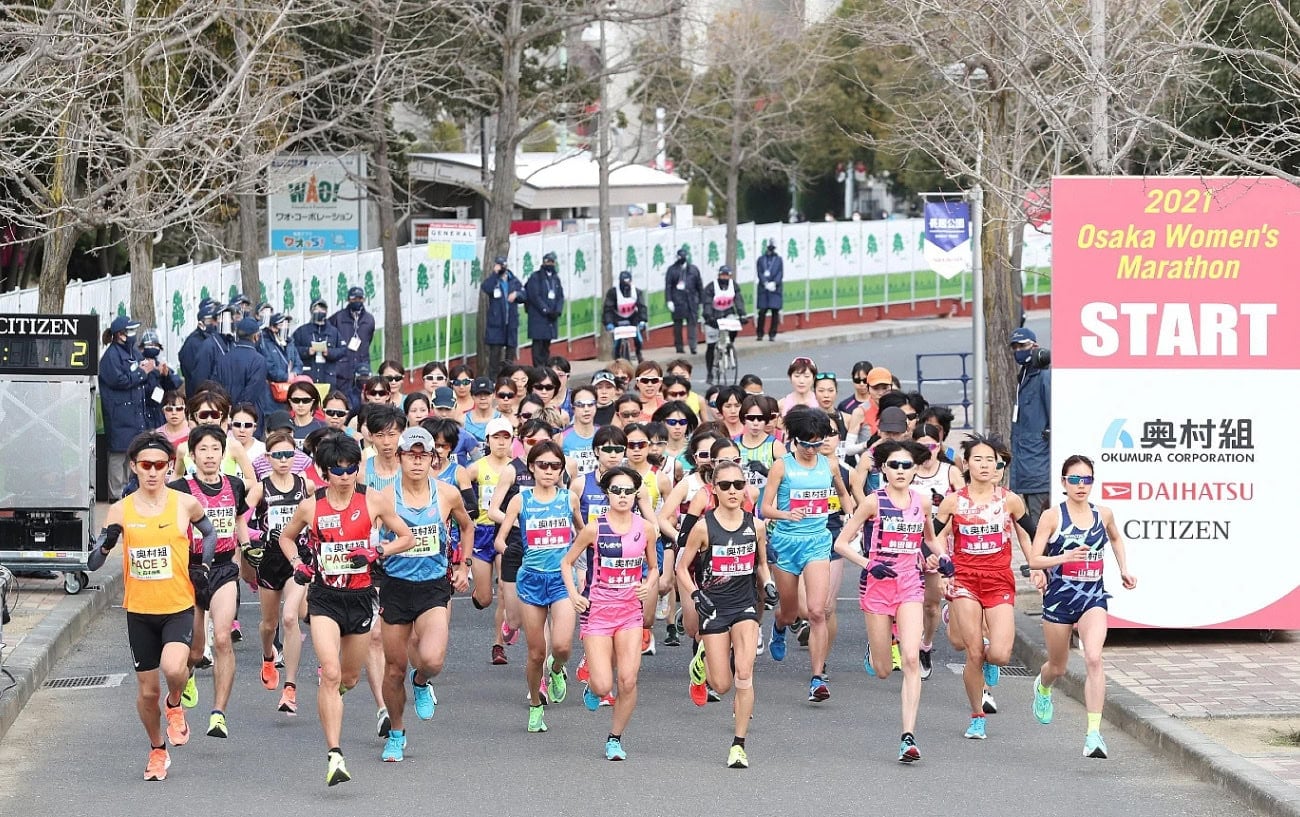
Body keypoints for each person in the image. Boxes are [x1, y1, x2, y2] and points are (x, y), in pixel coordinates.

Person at [277, 432, 413, 786]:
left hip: (361, 596)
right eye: (338, 470)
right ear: (325, 472)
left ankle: (331, 699)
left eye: (352, 468)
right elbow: (286, 537)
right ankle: (334, 754)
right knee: (332, 672)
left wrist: (377, 552)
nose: (345, 475)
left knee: (349, 678)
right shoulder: (312, 506)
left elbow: (406, 537)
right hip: (324, 597)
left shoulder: (374, 501)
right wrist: (298, 564)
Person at [86, 431, 218, 781]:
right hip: (139, 610)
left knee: (174, 667)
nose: (153, 471)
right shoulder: (120, 509)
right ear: (134, 467)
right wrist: (107, 543)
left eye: (160, 465)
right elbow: (94, 563)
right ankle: (157, 749)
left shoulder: (183, 503)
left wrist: (200, 565)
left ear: (169, 467)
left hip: (177, 604)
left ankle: (175, 704)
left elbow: (209, 533)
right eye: (146, 465)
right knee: (147, 692)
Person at [834, 440, 951, 763]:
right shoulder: (873, 502)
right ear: (883, 469)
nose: (900, 471)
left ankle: (908, 736)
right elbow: (842, 544)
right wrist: (869, 564)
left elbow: (928, 539)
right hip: (876, 587)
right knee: (884, 670)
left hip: (909, 585)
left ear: (916, 470)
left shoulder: (923, 502)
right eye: (894, 466)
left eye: (907, 466)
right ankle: (878, 647)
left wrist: (943, 557)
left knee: (911, 660)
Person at [1027, 454, 1136, 759]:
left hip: (1093, 598)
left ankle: (1093, 734)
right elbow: (1034, 559)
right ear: (1064, 482)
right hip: (1059, 600)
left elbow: (1115, 539)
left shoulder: (1104, 514)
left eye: (1086, 479)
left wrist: (1124, 569)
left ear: (1092, 482)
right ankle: (1043, 686)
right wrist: (1064, 558)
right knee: (1058, 667)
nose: (1080, 485)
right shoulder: (1053, 516)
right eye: (1074, 479)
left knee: (1094, 658)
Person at [377, 427, 474, 763]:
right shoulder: (384, 497)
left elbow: (467, 525)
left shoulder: (447, 494)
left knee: (432, 659)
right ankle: (397, 732)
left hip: (434, 585)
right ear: (400, 457)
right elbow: (369, 536)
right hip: (396, 586)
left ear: (433, 458)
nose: (417, 461)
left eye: (423, 455)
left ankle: (421, 682)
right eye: (410, 454)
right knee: (393, 669)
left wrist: (464, 565)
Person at [933, 434, 1038, 741]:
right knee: (975, 653)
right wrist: (943, 566)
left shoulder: (1010, 500)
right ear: (966, 463)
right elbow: (935, 535)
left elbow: (1028, 533)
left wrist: (1035, 564)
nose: (983, 465)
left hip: (999, 579)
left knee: (1001, 654)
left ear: (997, 465)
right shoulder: (954, 501)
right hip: (964, 578)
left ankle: (991, 661)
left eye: (989, 460)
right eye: (977, 459)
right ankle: (977, 715)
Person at [677, 458, 769, 769]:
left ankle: (739, 745)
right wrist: (694, 596)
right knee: (722, 685)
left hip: (744, 605)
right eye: (726, 485)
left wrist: (768, 584)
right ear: (714, 490)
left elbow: (761, 564)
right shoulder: (704, 527)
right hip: (713, 607)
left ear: (746, 489)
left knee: (744, 673)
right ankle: (702, 661)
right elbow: (681, 567)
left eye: (738, 485)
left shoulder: (755, 526)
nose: (733, 491)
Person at [561, 466, 659, 761]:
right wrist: (574, 595)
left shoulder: (646, 529)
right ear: (606, 493)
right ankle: (593, 686)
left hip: (630, 611)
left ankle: (614, 738)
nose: (623, 496)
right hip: (598, 612)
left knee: (628, 680)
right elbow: (567, 563)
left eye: (629, 491)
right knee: (604, 684)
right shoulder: (595, 528)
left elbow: (653, 567)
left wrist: (648, 584)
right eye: (616, 490)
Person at [762, 407, 853, 702]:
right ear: (795, 441)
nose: (814, 449)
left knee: (817, 611)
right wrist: (787, 514)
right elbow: (765, 509)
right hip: (787, 542)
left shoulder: (830, 465)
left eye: (818, 443)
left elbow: (844, 495)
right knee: (790, 613)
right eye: (808, 444)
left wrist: (851, 512)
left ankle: (816, 678)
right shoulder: (782, 466)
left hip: (817, 542)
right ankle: (778, 625)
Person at [167, 425, 251, 740]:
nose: (210, 455)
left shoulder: (235, 485)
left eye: (215, 448)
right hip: (189, 571)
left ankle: (218, 713)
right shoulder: (179, 488)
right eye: (203, 449)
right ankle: (180, 689)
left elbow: (239, 518)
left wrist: (248, 548)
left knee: (223, 639)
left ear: (223, 452)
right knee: (194, 650)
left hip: (223, 568)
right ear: (192, 454)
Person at [494, 441, 578, 733]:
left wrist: (576, 559)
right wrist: (514, 553)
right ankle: (534, 703)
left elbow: (581, 534)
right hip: (530, 580)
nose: (548, 471)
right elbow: (500, 540)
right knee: (534, 652)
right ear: (531, 467)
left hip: (561, 579)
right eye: (542, 465)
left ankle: (557, 669)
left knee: (563, 646)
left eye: (555, 466)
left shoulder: (569, 499)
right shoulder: (521, 500)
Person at [246, 429, 312, 714]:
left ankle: (290, 688)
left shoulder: (304, 485)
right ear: (268, 457)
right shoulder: (261, 488)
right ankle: (268, 655)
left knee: (290, 617)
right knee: (269, 624)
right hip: (271, 558)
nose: (284, 460)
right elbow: (241, 519)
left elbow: (320, 511)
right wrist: (254, 537)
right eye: (278, 455)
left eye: (289, 454)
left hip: (297, 557)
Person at [910, 423, 964, 679]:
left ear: (939, 446)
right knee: (909, 601)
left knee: (931, 604)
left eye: (931, 445)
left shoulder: (950, 472)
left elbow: (963, 506)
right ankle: (905, 645)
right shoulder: (906, 471)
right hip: (908, 543)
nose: (927, 451)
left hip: (938, 543)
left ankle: (925, 645)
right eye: (921, 446)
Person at [99, 315, 152, 500]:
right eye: (129, 331)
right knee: (118, 455)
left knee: (132, 454)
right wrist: (141, 372)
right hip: (119, 415)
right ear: (120, 334)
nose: (133, 334)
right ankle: (116, 494)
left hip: (135, 415)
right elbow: (119, 380)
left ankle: (131, 491)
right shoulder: (110, 356)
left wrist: (145, 366)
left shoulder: (132, 351)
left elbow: (139, 369)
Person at [1009, 327, 1051, 537]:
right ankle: (1037, 560)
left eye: (1023, 346)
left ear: (1034, 346)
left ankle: (1043, 563)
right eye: (1015, 347)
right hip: (1026, 462)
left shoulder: (1044, 375)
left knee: (1040, 521)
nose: (1019, 350)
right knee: (1029, 522)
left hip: (1039, 464)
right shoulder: (1024, 375)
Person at [329, 286, 376, 405]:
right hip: (343, 367)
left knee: (364, 398)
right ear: (348, 299)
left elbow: (368, 339)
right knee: (343, 400)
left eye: (360, 298)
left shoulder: (369, 319)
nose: (357, 301)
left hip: (362, 365)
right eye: (354, 298)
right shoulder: (338, 318)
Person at [481, 256, 524, 380]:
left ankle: (508, 378)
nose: (502, 268)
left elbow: (524, 295)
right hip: (496, 323)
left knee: (510, 353)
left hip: (511, 323)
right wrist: (495, 274)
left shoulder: (513, 280)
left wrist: (517, 294)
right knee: (495, 354)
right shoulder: (494, 281)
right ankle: (493, 380)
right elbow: (486, 287)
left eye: (503, 266)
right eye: (499, 266)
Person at [701, 265, 746, 378]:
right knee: (711, 345)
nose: (725, 277)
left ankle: (729, 344)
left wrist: (742, 314)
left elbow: (738, 300)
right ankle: (710, 372)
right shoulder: (711, 287)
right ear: (719, 275)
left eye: (727, 275)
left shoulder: (734, 286)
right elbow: (707, 303)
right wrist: (708, 317)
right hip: (713, 315)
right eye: (722, 275)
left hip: (727, 313)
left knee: (734, 326)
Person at [294, 298, 346, 392]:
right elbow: (292, 350)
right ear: (311, 311)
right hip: (308, 376)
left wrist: (329, 352)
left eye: (322, 309)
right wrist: (307, 351)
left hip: (328, 376)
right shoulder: (302, 331)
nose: (319, 312)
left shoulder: (333, 331)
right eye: (316, 309)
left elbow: (343, 350)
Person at [524, 251, 565, 366]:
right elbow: (534, 296)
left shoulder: (555, 278)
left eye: (552, 262)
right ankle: (538, 369)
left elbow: (560, 296)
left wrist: (557, 310)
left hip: (550, 319)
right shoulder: (535, 277)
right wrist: (545, 310)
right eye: (548, 262)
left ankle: (545, 368)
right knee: (538, 345)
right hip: (538, 317)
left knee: (546, 345)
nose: (550, 264)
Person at [139, 329, 183, 431]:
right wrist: (154, 373)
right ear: (142, 348)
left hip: (161, 413)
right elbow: (147, 391)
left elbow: (174, 386)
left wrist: (166, 375)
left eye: (155, 345)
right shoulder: (139, 367)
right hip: (145, 414)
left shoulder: (161, 365)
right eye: (149, 344)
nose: (152, 347)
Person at [664, 247, 703, 354]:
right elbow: (668, 286)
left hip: (691, 300)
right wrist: (669, 300)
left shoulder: (693, 269)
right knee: (677, 325)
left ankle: (693, 346)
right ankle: (679, 346)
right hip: (678, 301)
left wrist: (701, 300)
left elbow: (699, 285)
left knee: (692, 324)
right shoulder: (672, 270)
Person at [603, 269, 648, 362]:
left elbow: (642, 306)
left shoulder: (637, 292)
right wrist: (608, 322)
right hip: (617, 318)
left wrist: (643, 320)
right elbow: (608, 309)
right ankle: (616, 358)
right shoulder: (613, 293)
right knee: (617, 342)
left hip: (632, 317)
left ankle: (638, 353)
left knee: (638, 338)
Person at [179, 300, 219, 397]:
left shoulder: (214, 339)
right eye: (209, 321)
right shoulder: (193, 343)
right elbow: (193, 373)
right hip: (198, 395)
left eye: (214, 320)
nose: (213, 324)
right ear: (201, 323)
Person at [261, 313, 303, 395]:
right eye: (282, 325)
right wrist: (285, 377)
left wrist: (294, 373)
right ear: (273, 327)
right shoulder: (265, 344)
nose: (285, 327)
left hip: (290, 387)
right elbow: (268, 366)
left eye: (287, 324)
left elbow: (299, 363)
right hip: (272, 390)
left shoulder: (290, 343)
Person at [754, 240, 784, 341]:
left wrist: (775, 283)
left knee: (775, 312)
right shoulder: (761, 259)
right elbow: (759, 272)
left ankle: (772, 333)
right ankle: (760, 333)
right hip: (764, 288)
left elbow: (780, 272)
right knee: (762, 311)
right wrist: (765, 283)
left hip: (775, 289)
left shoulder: (778, 259)